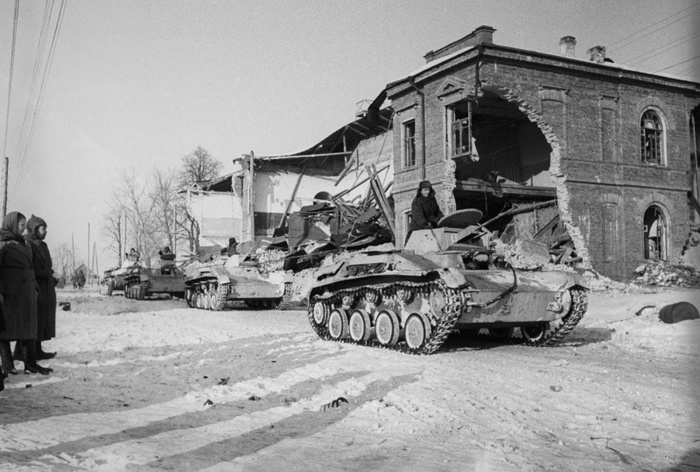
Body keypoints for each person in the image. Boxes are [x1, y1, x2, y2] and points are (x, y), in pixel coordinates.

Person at [0, 212, 51, 376]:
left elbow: (30, 267)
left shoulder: (24, 243)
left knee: (28, 329)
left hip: (26, 293)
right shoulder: (3, 243)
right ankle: (7, 364)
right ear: (12, 225)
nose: (23, 229)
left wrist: (35, 287)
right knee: (6, 331)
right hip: (10, 294)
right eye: (21, 225)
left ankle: (30, 363)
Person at [23, 215, 57, 361]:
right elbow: (29, 268)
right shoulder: (27, 244)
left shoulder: (43, 245)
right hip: (34, 286)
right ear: (34, 229)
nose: (46, 231)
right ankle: (25, 353)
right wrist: (45, 273)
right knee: (32, 319)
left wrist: (50, 275)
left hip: (45, 287)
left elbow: (47, 265)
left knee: (42, 318)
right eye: (43, 229)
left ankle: (38, 350)